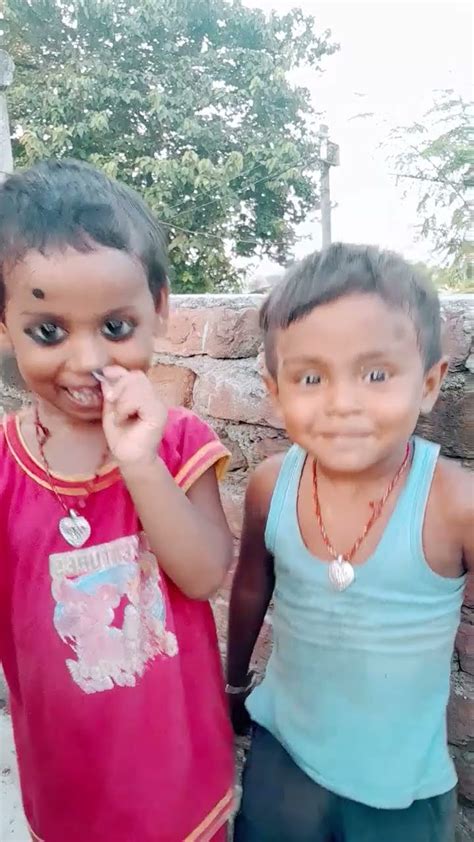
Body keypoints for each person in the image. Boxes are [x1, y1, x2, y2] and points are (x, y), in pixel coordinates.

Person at [0, 159, 235, 842]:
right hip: (67, 789)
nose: (87, 361)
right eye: (48, 331)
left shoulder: (179, 441)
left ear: (159, 307)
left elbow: (203, 573)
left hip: (182, 790)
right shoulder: (6, 467)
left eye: (115, 327)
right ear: (5, 324)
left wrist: (139, 464)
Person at [227, 244, 473, 842]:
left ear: (429, 384)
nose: (342, 403)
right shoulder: (272, 485)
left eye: (376, 375)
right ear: (275, 390)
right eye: (311, 378)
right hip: (283, 756)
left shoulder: (454, 506)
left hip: (401, 788)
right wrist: (233, 685)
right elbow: (251, 588)